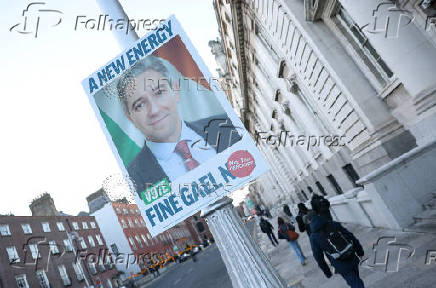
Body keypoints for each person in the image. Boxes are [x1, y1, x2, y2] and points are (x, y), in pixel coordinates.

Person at [116, 56, 241, 191]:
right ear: (130, 118)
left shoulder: (227, 126)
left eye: (159, 92)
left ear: (175, 90)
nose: (155, 110)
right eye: (139, 105)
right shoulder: (135, 179)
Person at [309, 198, 365, 288]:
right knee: (355, 280)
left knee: (355, 282)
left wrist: (327, 272)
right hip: (351, 256)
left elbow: (318, 257)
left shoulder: (313, 237)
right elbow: (350, 236)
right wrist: (360, 251)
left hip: (339, 263)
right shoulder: (333, 224)